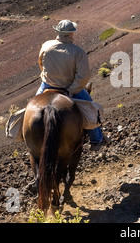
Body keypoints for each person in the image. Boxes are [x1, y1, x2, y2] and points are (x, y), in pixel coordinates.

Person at [37, 20, 108, 151]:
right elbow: (83, 77)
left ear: (57, 32)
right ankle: (96, 141)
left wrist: (49, 78)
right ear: (71, 34)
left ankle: (27, 137)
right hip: (68, 89)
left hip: (46, 86)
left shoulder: (46, 46)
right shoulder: (78, 52)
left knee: (33, 108)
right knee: (91, 110)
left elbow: (41, 64)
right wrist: (71, 91)